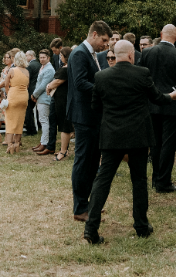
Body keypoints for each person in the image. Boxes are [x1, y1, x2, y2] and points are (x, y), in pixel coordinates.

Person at [83, 40, 176, 245]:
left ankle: (90, 228)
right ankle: (141, 226)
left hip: (111, 136)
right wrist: (172, 96)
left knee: (103, 180)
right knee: (139, 181)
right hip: (138, 135)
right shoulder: (142, 73)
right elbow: (156, 98)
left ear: (115, 55)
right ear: (131, 55)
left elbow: (95, 106)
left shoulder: (101, 77)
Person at [67, 20, 112, 221]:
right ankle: (80, 208)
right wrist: (104, 89)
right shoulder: (79, 54)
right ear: (94, 34)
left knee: (93, 161)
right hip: (84, 117)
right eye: (103, 40)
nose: (105, 45)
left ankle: (90, 205)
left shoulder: (91, 54)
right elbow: (80, 82)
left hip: (92, 116)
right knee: (84, 162)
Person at [140, 23, 176, 193]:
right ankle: (163, 181)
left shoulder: (147, 52)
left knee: (155, 144)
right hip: (172, 106)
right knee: (169, 144)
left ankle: (156, 179)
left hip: (152, 104)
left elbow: (142, 78)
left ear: (161, 34)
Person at [42, 46, 74, 160]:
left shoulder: (66, 69)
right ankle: (63, 149)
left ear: (65, 56)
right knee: (63, 125)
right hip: (59, 99)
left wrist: (48, 86)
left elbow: (57, 81)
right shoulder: (66, 67)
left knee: (64, 126)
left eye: (61, 55)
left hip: (63, 100)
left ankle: (63, 151)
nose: (59, 57)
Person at [3, 52, 30, 153]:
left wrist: (7, 94)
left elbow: (6, 84)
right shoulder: (27, 72)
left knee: (10, 120)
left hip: (14, 95)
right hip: (24, 97)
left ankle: (10, 145)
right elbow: (27, 86)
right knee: (20, 121)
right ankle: (17, 144)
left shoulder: (12, 70)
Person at [31, 50, 55, 153]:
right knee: (42, 120)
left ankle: (45, 143)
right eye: (40, 57)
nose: (41, 59)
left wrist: (34, 94)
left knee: (44, 121)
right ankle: (42, 141)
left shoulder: (49, 69)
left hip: (45, 98)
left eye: (43, 57)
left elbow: (43, 85)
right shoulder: (43, 67)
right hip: (41, 98)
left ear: (48, 58)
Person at [0, 52, 13, 144]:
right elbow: (1, 80)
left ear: (12, 58)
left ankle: (7, 137)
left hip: (7, 93)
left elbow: (6, 81)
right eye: (4, 57)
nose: (5, 59)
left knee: (6, 115)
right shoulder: (5, 69)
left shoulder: (13, 68)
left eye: (7, 57)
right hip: (0, 93)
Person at [23, 50, 40, 136]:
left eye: (26, 56)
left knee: (28, 111)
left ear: (31, 56)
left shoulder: (30, 66)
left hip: (30, 91)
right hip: (37, 90)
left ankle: (31, 130)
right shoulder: (38, 64)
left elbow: (27, 79)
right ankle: (36, 127)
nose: (25, 58)